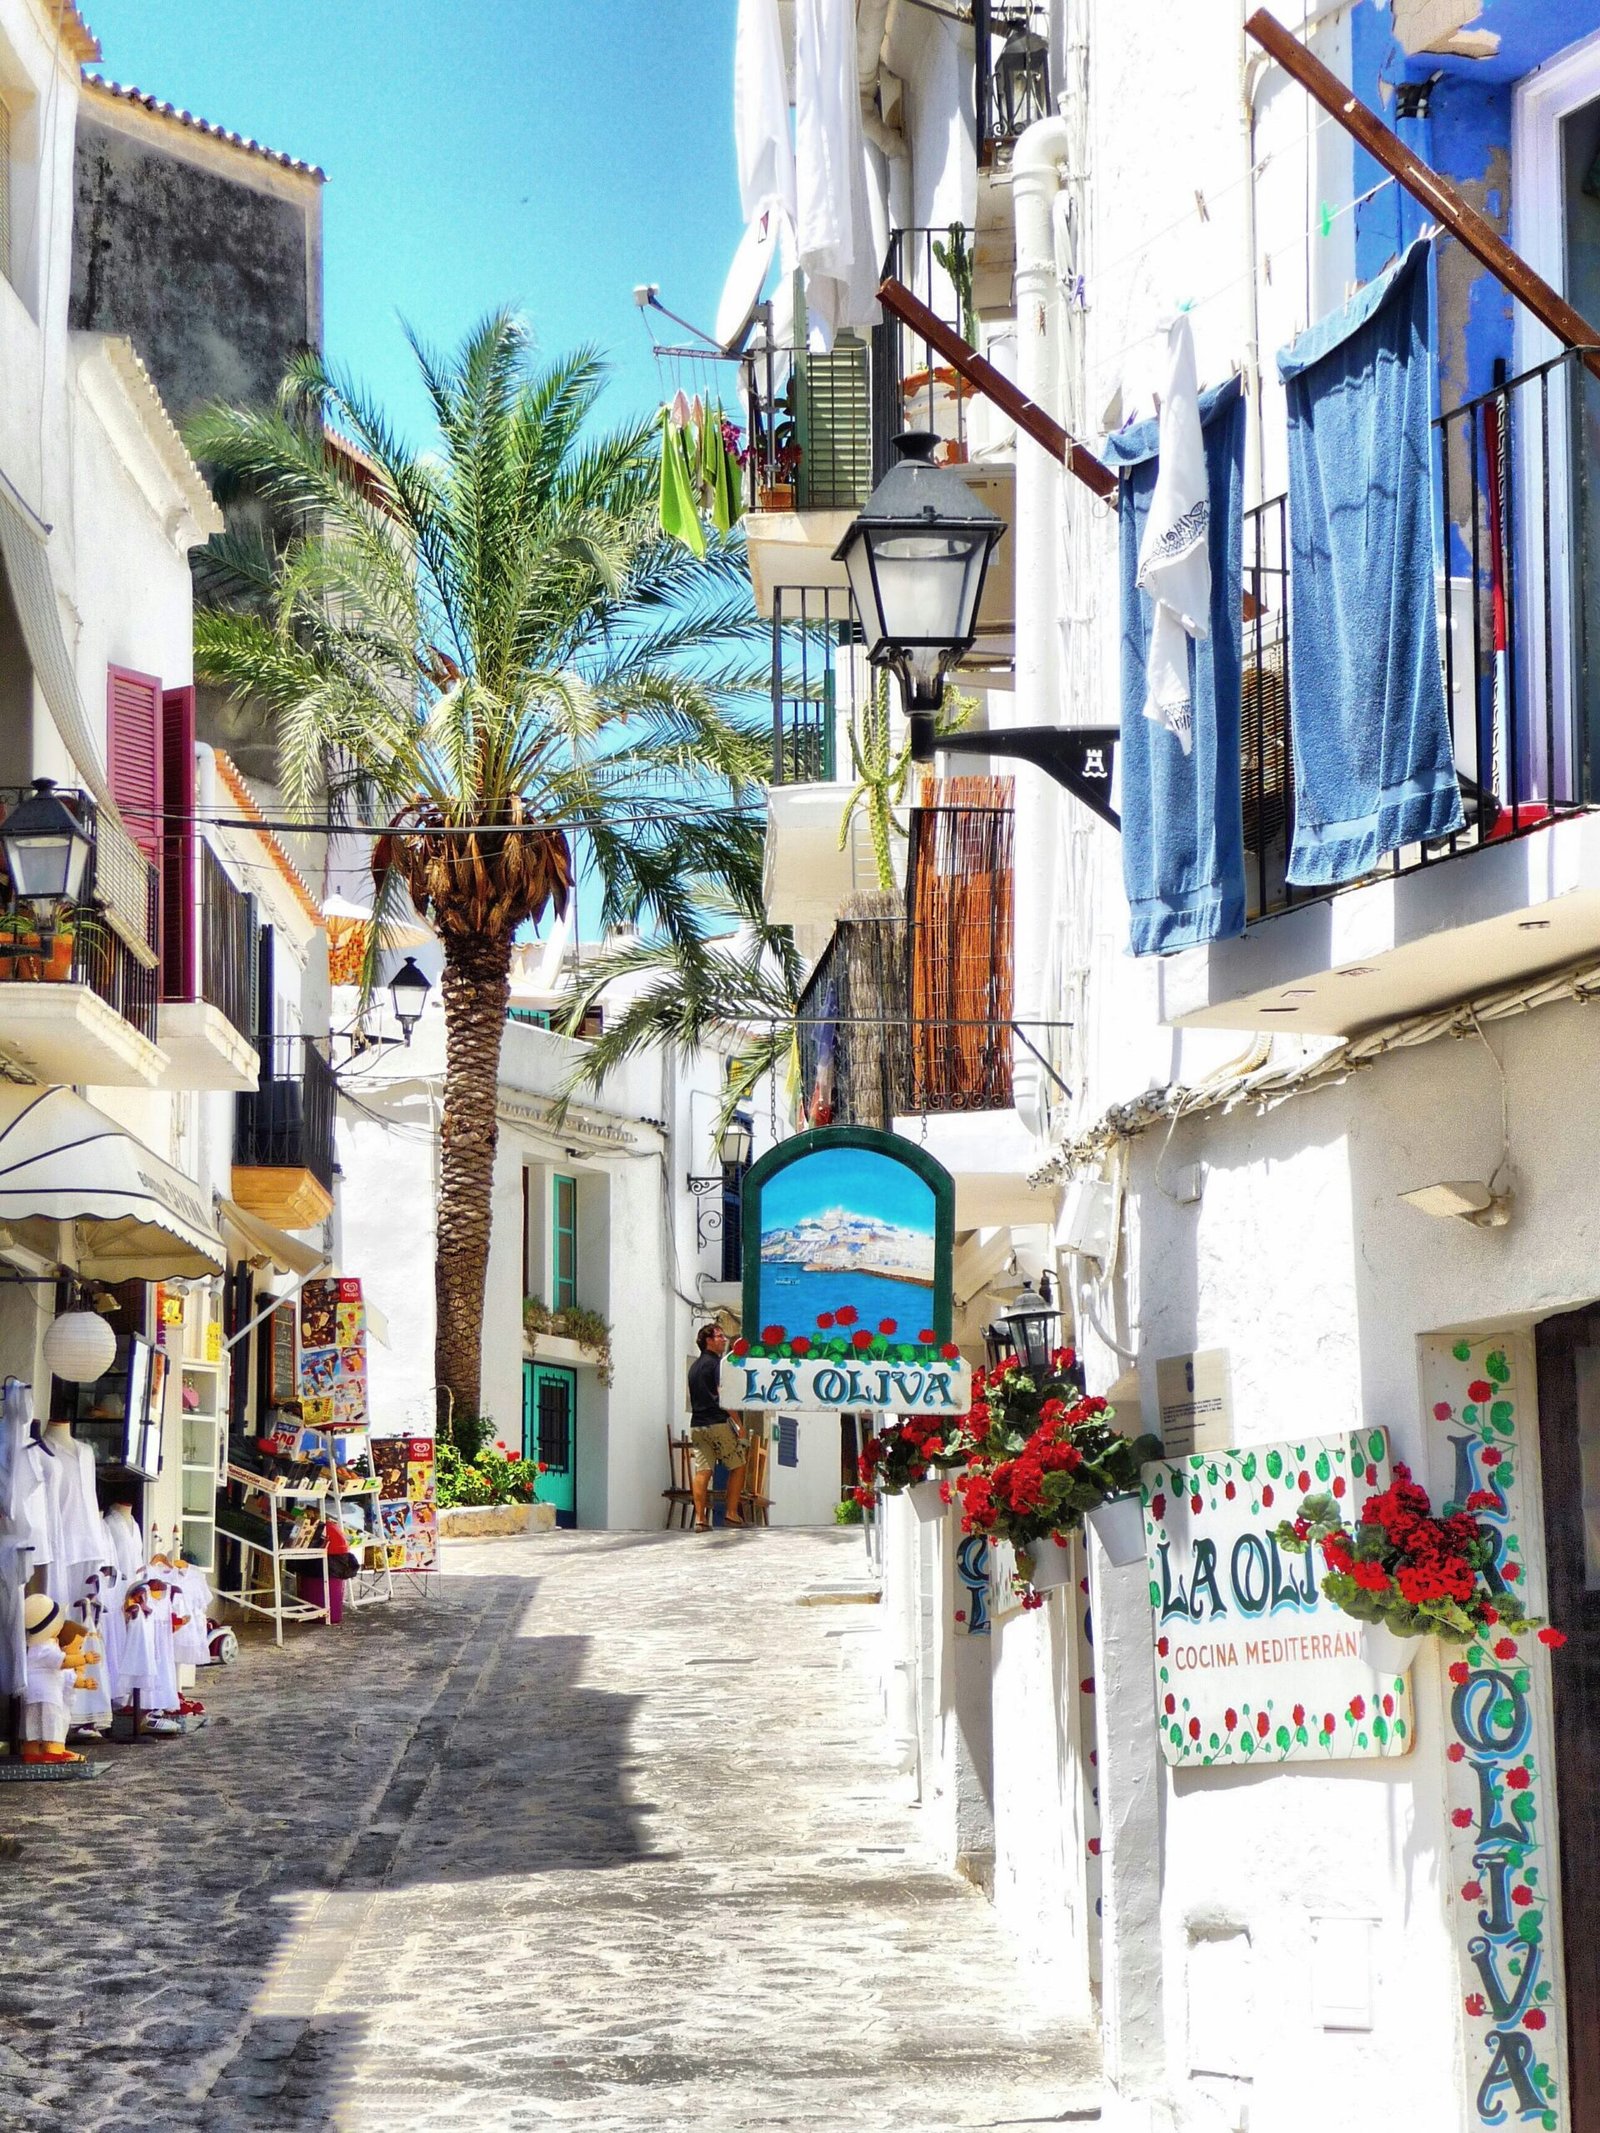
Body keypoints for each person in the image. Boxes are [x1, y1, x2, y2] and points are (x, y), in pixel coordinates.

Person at [686, 1324, 745, 1531]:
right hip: (718, 1423)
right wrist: (738, 1424)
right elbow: (723, 1396)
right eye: (719, 1336)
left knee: (703, 1471)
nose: (724, 1339)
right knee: (738, 1465)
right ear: (708, 1341)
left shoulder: (693, 1368)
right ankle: (731, 1513)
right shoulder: (718, 1366)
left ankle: (700, 1519)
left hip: (697, 1425)